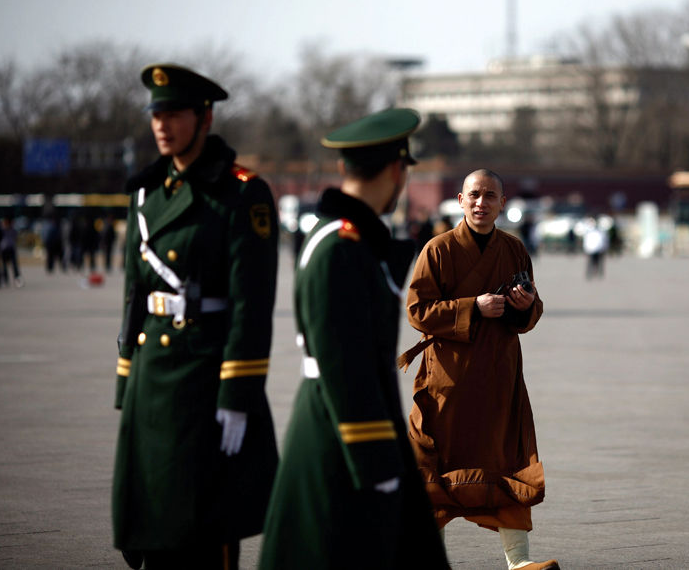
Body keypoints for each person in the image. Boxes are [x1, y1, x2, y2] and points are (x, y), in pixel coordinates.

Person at [259, 108, 447, 569]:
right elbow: (345, 368)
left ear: (344, 167)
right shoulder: (339, 248)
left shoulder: (350, 237)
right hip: (341, 441)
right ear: (396, 170)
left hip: (361, 430)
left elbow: (388, 255)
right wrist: (376, 462)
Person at [112, 64, 279, 569]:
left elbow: (253, 303)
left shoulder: (241, 192)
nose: (161, 125)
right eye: (155, 114)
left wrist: (238, 393)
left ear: (204, 117)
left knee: (205, 529)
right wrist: (126, 379)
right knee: (152, 527)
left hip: (206, 379)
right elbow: (133, 293)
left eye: (174, 114)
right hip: (152, 379)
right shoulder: (146, 193)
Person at [399, 169, 560, 570]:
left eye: (490, 196)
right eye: (474, 195)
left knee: (506, 463)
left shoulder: (514, 249)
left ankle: (519, 561)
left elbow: (533, 310)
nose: (481, 203)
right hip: (447, 380)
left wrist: (525, 307)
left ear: (502, 203)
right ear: (459, 199)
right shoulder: (437, 249)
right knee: (432, 466)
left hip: (498, 375)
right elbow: (417, 311)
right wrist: (473, 307)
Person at [0, 217, 23, 288]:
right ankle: (5, 279)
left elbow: (16, 238)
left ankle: (17, 279)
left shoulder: (13, 230)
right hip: (4, 250)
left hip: (11, 249)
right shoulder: (2, 230)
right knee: (4, 266)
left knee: (14, 265)